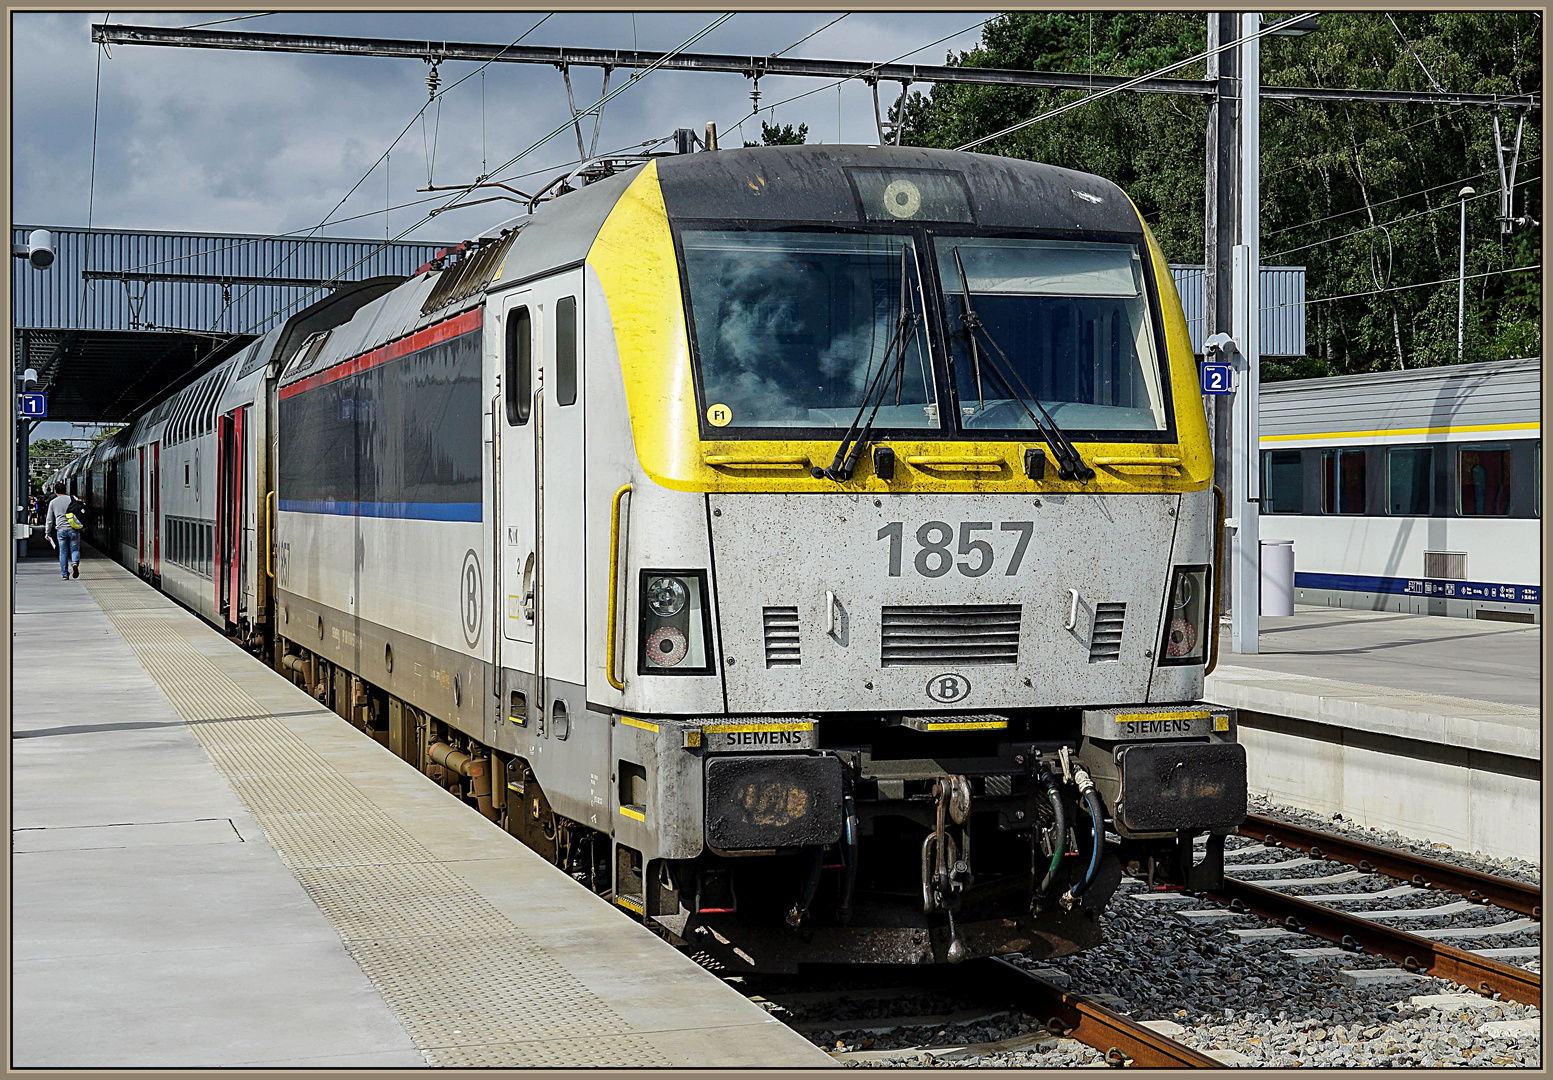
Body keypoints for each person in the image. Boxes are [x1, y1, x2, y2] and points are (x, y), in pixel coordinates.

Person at [44, 482, 80, 580]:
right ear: (66, 490)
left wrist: (47, 533)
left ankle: (64, 575)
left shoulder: (53, 502)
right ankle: (75, 563)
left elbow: (49, 520)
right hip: (73, 528)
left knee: (63, 552)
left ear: (55, 491)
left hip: (60, 529)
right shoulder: (73, 499)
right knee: (75, 549)